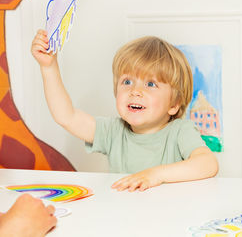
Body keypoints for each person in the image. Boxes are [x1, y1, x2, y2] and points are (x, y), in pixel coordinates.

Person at [31, 30, 218, 192]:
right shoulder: (113, 131)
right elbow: (67, 117)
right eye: (127, 82)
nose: (135, 91)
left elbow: (208, 164)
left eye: (150, 84)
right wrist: (49, 67)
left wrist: (156, 174)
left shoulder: (180, 131)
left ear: (174, 104)